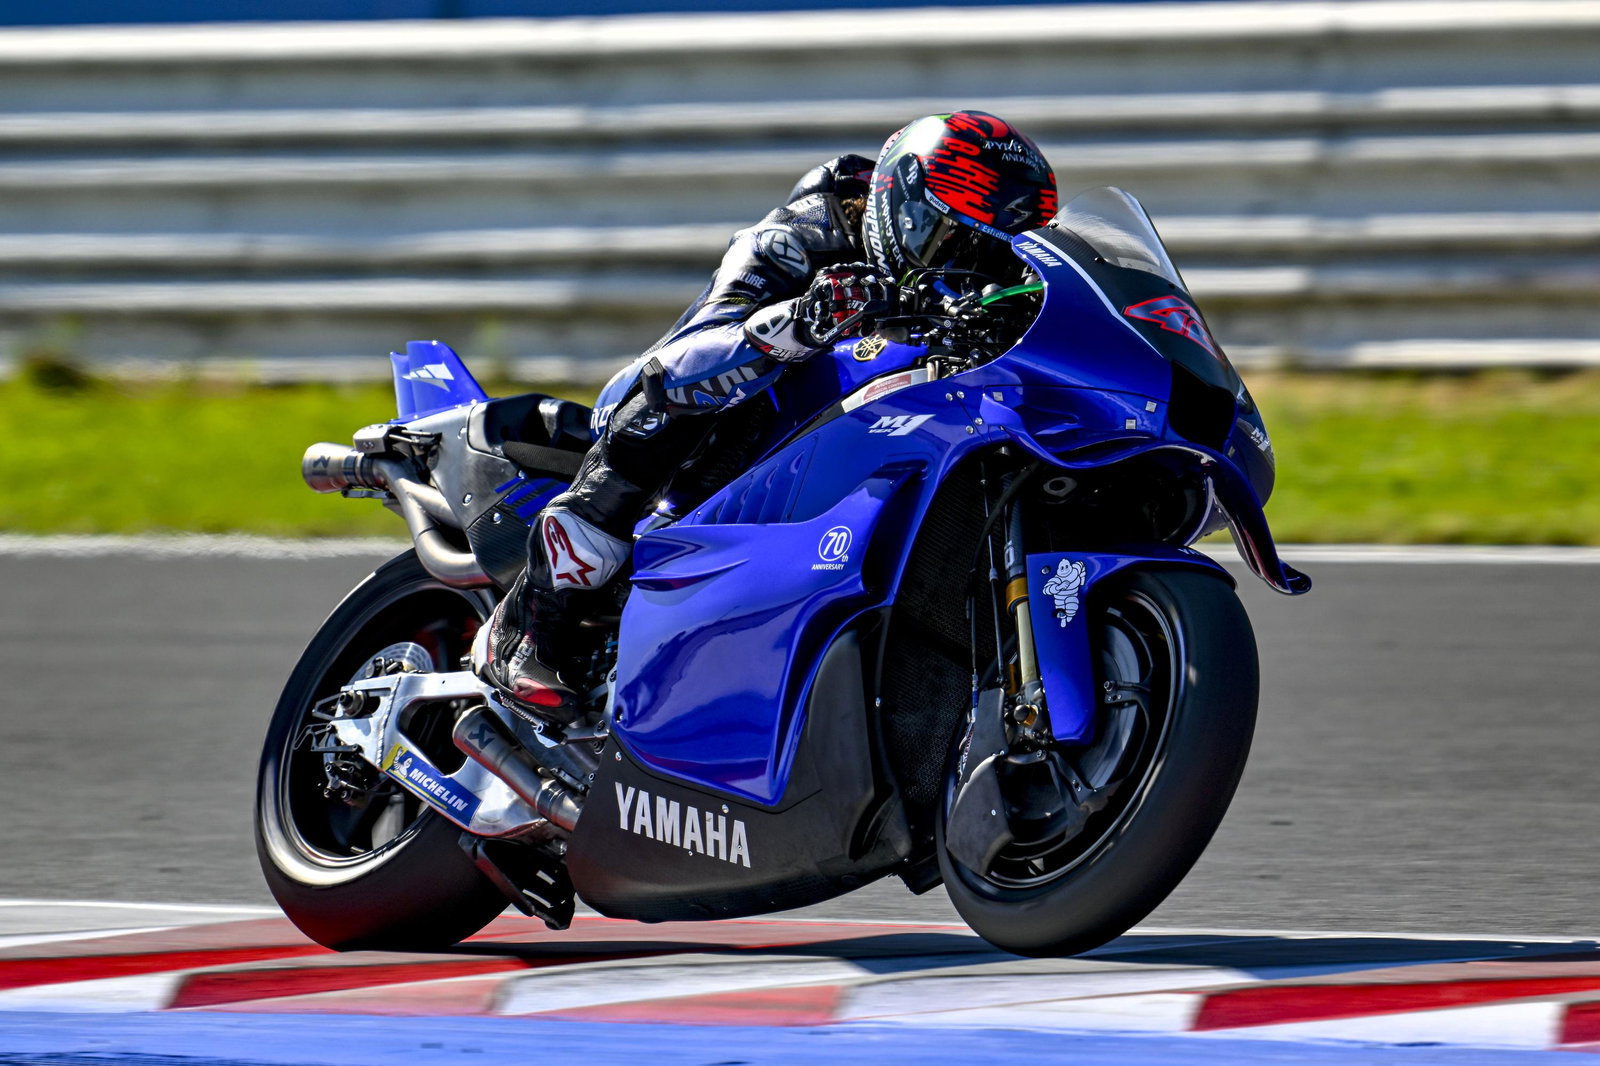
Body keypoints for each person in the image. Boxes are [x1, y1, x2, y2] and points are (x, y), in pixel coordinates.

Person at [472, 110, 1059, 719]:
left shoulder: (1000, 291)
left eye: (988, 253)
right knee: (696, 396)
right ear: (897, 204)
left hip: (864, 451)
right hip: (694, 416)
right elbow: (676, 366)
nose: (963, 265)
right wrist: (802, 321)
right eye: (948, 237)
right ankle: (530, 620)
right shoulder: (806, 233)